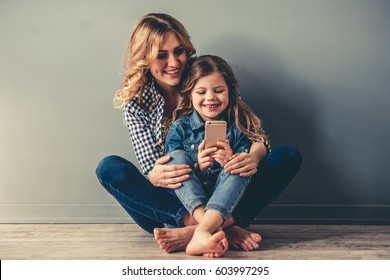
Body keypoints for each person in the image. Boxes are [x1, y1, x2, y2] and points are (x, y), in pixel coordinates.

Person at [95, 13, 302, 254]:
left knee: (287, 155)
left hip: (223, 189)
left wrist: (250, 158)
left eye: (179, 51)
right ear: (145, 58)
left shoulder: (205, 76)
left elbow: (256, 135)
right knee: (109, 167)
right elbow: (155, 169)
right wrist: (170, 172)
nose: (173, 63)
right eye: (161, 55)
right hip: (169, 202)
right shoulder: (137, 103)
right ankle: (218, 226)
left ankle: (196, 232)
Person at [163, 55, 272, 257]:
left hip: (225, 195)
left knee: (240, 165)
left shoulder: (237, 127)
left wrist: (230, 160)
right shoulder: (179, 128)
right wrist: (197, 167)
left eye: (219, 91)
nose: (211, 97)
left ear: (230, 92)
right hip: (191, 203)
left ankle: (202, 232)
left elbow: (244, 167)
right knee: (176, 158)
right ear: (190, 96)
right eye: (202, 92)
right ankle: (211, 226)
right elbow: (170, 175)